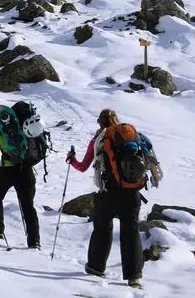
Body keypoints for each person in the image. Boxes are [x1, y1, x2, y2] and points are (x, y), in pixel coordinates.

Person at [66, 108, 160, 288]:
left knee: (102, 228)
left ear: (100, 123)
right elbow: (151, 161)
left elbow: (84, 166)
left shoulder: (99, 140)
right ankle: (134, 276)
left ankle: (96, 267)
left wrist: (72, 160)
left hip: (108, 193)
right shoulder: (135, 136)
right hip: (132, 193)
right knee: (130, 232)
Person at [0, 101, 41, 248]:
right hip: (26, 171)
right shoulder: (24, 129)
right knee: (28, 207)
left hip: (6, 172)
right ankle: (34, 242)